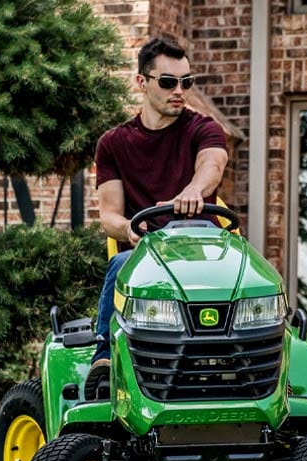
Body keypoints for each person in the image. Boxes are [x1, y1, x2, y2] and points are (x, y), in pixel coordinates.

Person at [86, 37, 229, 389]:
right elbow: (110, 216)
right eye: (168, 82)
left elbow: (213, 162)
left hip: (203, 247)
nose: (179, 90)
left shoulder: (203, 128)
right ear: (142, 82)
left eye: (186, 82)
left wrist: (196, 189)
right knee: (121, 263)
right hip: (147, 252)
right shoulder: (114, 144)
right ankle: (105, 357)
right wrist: (129, 231)